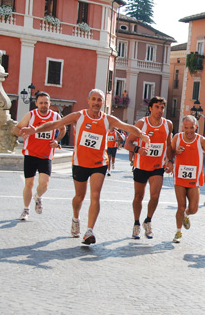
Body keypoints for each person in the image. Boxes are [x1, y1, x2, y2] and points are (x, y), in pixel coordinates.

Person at [20, 89, 151, 245]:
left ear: (103, 103)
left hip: (99, 163)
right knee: (79, 197)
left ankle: (89, 231)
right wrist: (34, 129)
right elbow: (55, 124)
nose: (96, 103)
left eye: (99, 100)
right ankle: (76, 218)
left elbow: (128, 127)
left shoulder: (107, 119)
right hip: (80, 162)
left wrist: (142, 135)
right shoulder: (78, 116)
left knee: (95, 195)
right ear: (88, 100)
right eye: (94, 99)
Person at [124, 97, 173, 240]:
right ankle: (136, 223)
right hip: (141, 166)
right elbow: (127, 143)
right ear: (150, 108)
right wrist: (138, 149)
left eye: (162, 107)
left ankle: (148, 220)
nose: (160, 110)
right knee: (138, 196)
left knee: (155, 196)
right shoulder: (142, 123)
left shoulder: (167, 124)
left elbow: (169, 145)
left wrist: (170, 160)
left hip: (157, 166)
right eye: (157, 107)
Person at [13, 92, 65, 221]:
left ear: (49, 103)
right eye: (41, 103)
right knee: (29, 183)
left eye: (46, 103)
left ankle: (38, 196)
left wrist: (57, 140)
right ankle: (26, 210)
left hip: (46, 154)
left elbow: (63, 129)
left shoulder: (55, 116)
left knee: (44, 184)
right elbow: (16, 128)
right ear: (36, 103)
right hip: (31, 153)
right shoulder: (30, 115)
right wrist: (22, 134)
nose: (43, 105)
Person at [171, 115, 205, 243]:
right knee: (181, 205)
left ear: (196, 127)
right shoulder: (177, 138)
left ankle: (186, 215)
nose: (188, 131)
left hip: (194, 179)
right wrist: (174, 153)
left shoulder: (201, 140)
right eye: (186, 128)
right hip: (179, 177)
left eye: (191, 128)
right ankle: (178, 232)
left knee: (194, 208)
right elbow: (169, 152)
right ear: (183, 127)